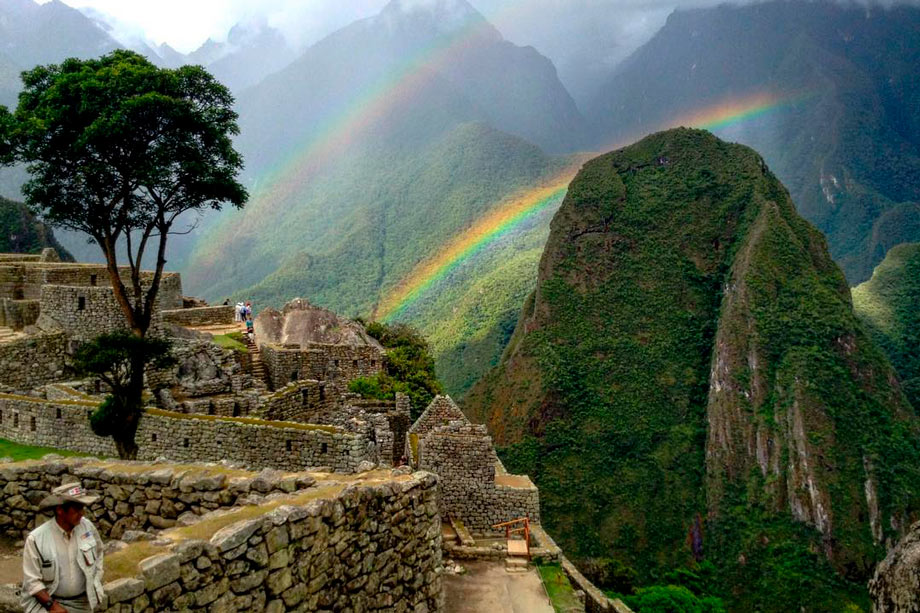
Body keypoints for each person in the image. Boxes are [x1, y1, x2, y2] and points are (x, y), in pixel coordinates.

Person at [21, 482, 105, 613]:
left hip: (83, 603)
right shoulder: (36, 539)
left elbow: (99, 553)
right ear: (60, 510)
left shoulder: (87, 527)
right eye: (76, 509)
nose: (82, 513)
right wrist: (52, 605)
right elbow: (32, 581)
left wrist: (96, 580)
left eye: (82, 508)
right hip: (47, 603)